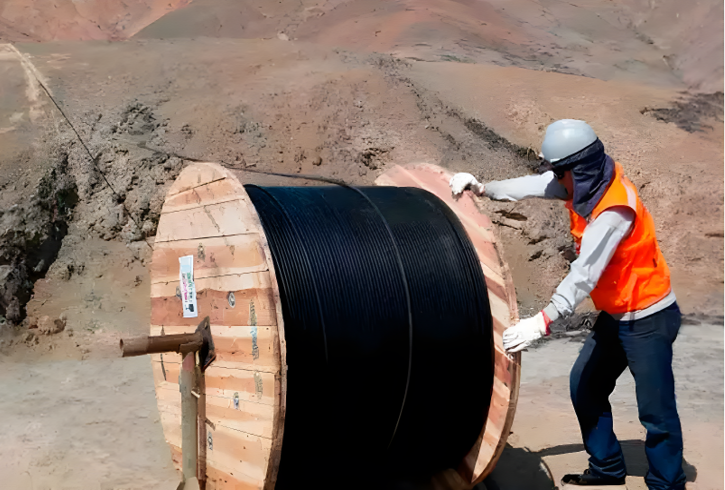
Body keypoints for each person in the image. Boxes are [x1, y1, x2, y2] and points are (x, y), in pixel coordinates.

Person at [449, 120, 685, 489]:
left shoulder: (614, 210)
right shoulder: (586, 185)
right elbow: (536, 185)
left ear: (579, 168)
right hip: (617, 313)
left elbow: (584, 275)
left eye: (560, 171)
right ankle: (607, 469)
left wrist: (542, 322)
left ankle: (667, 484)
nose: (555, 179)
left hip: (648, 318)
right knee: (586, 387)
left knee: (656, 412)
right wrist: (484, 188)